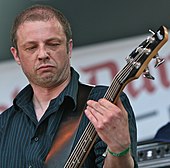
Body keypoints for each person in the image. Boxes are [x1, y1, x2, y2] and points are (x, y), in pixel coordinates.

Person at [0, 4, 138, 168]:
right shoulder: (4, 123)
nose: (43, 54)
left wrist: (119, 150)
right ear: (16, 55)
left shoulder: (104, 103)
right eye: (31, 47)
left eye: (53, 44)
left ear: (69, 48)